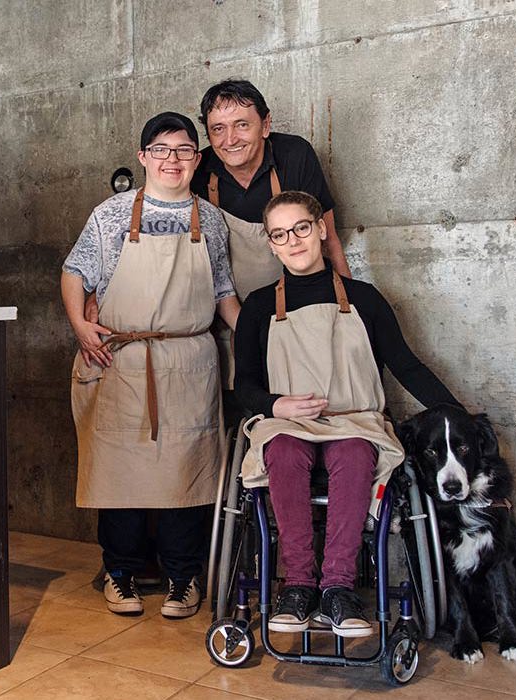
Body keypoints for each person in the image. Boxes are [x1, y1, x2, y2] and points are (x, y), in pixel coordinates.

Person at [233, 190, 460, 637]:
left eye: (301, 228)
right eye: (280, 234)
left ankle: (338, 586)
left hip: (354, 420)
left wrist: (455, 413)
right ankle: (297, 585)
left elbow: (407, 365)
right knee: (282, 449)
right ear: (271, 245)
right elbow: (244, 385)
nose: (293, 240)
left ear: (320, 229)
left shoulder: (365, 299)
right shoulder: (259, 307)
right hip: (288, 423)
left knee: (357, 452)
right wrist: (277, 404)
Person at [62, 112, 240, 619]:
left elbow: (223, 289)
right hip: (123, 359)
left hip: (189, 362)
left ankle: (183, 578)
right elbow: (75, 271)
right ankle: (120, 574)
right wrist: (80, 324)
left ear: (197, 160)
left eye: (183, 150)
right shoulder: (112, 215)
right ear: (143, 158)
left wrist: (254, 336)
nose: (172, 160)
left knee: (188, 476)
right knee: (119, 479)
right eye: (161, 150)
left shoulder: (213, 220)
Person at [191, 79, 350, 301]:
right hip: (229, 311)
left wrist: (351, 306)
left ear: (265, 125)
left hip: (301, 303)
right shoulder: (197, 171)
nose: (230, 139)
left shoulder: (295, 155)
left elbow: (329, 240)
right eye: (218, 129)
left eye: (242, 125)